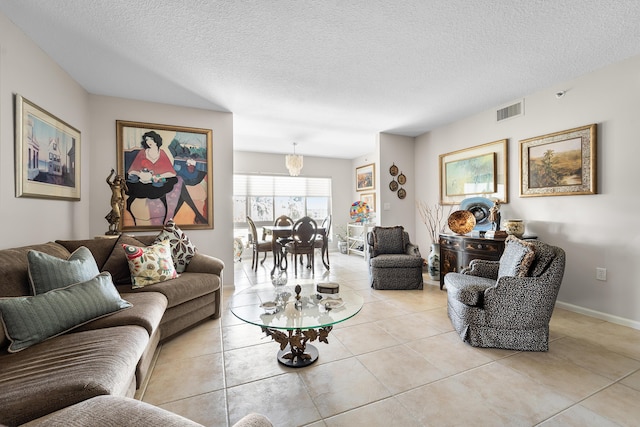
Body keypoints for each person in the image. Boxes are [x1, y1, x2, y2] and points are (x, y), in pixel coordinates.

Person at [105, 168, 128, 234]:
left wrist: (124, 183)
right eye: (118, 178)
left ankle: (114, 228)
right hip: (114, 201)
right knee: (117, 215)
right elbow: (107, 180)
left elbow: (126, 190)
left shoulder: (121, 186)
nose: (119, 180)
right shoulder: (112, 185)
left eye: (120, 178)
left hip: (120, 202)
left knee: (116, 216)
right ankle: (112, 227)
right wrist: (111, 173)